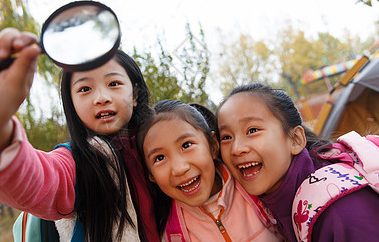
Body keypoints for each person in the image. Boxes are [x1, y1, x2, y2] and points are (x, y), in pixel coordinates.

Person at [0, 28, 160, 242]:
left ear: (135, 94)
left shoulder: (165, 142)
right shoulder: (78, 164)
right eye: (84, 89)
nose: (101, 97)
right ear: (72, 104)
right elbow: (35, 179)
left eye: (114, 84)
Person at [216, 83, 379, 242]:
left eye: (252, 130)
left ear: (295, 139)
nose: (236, 149)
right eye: (226, 137)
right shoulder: (271, 204)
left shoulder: (339, 211)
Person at [137, 99, 281, 241]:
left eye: (186, 145)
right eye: (160, 158)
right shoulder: (169, 233)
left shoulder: (258, 190)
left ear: (212, 145)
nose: (179, 169)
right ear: (151, 175)